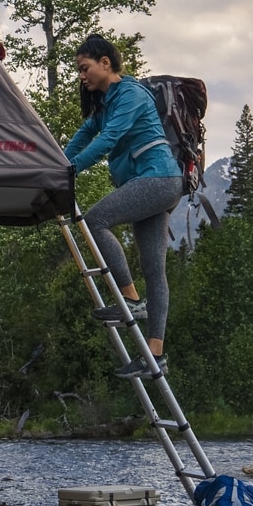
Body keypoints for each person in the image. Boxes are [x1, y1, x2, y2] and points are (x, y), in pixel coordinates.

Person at [64, 34, 184, 379]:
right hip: (154, 184)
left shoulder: (130, 94)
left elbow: (107, 140)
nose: (82, 76)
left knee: (96, 219)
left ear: (105, 63)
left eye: (84, 68)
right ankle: (156, 356)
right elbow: (86, 134)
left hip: (158, 180)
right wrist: (58, 163)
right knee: (154, 269)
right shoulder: (106, 104)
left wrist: (68, 171)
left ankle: (130, 300)